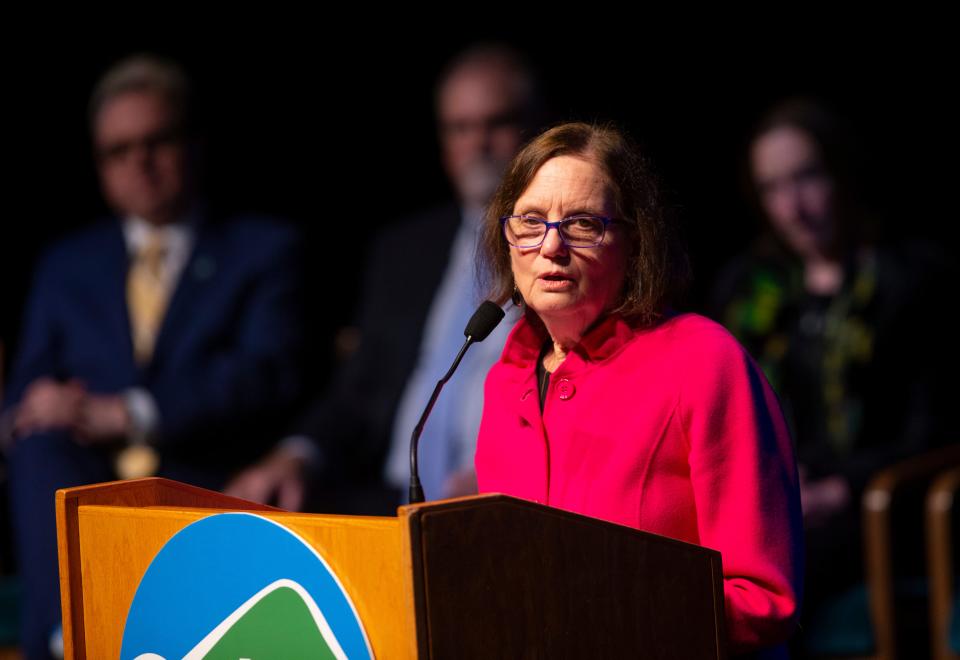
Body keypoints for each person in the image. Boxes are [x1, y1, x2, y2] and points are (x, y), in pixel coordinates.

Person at [2, 55, 304, 659]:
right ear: (100, 165)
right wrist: (41, 406)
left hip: (200, 477)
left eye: (155, 142)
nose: (138, 162)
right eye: (118, 150)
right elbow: (28, 387)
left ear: (194, 144)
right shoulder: (67, 265)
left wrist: (134, 412)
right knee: (36, 443)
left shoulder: (262, 249)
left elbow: (268, 374)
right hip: (85, 487)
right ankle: (74, 635)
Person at [474, 122, 803, 657]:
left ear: (634, 242)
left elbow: (762, 598)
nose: (550, 246)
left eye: (582, 224)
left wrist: (606, 612)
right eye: (531, 222)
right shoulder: (504, 380)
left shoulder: (703, 361)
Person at [226, 44, 544, 511]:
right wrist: (294, 455)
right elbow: (358, 390)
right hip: (388, 500)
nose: (477, 143)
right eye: (460, 128)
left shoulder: (571, 249)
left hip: (514, 503)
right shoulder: (404, 251)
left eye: (496, 123)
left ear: (537, 129)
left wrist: (505, 470)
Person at [710, 99, 949, 654]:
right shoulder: (749, 289)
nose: (792, 207)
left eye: (807, 178)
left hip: (878, 508)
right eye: (772, 188)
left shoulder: (910, 280)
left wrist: (840, 488)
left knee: (774, 569)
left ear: (842, 173)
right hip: (775, 496)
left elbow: (933, 431)